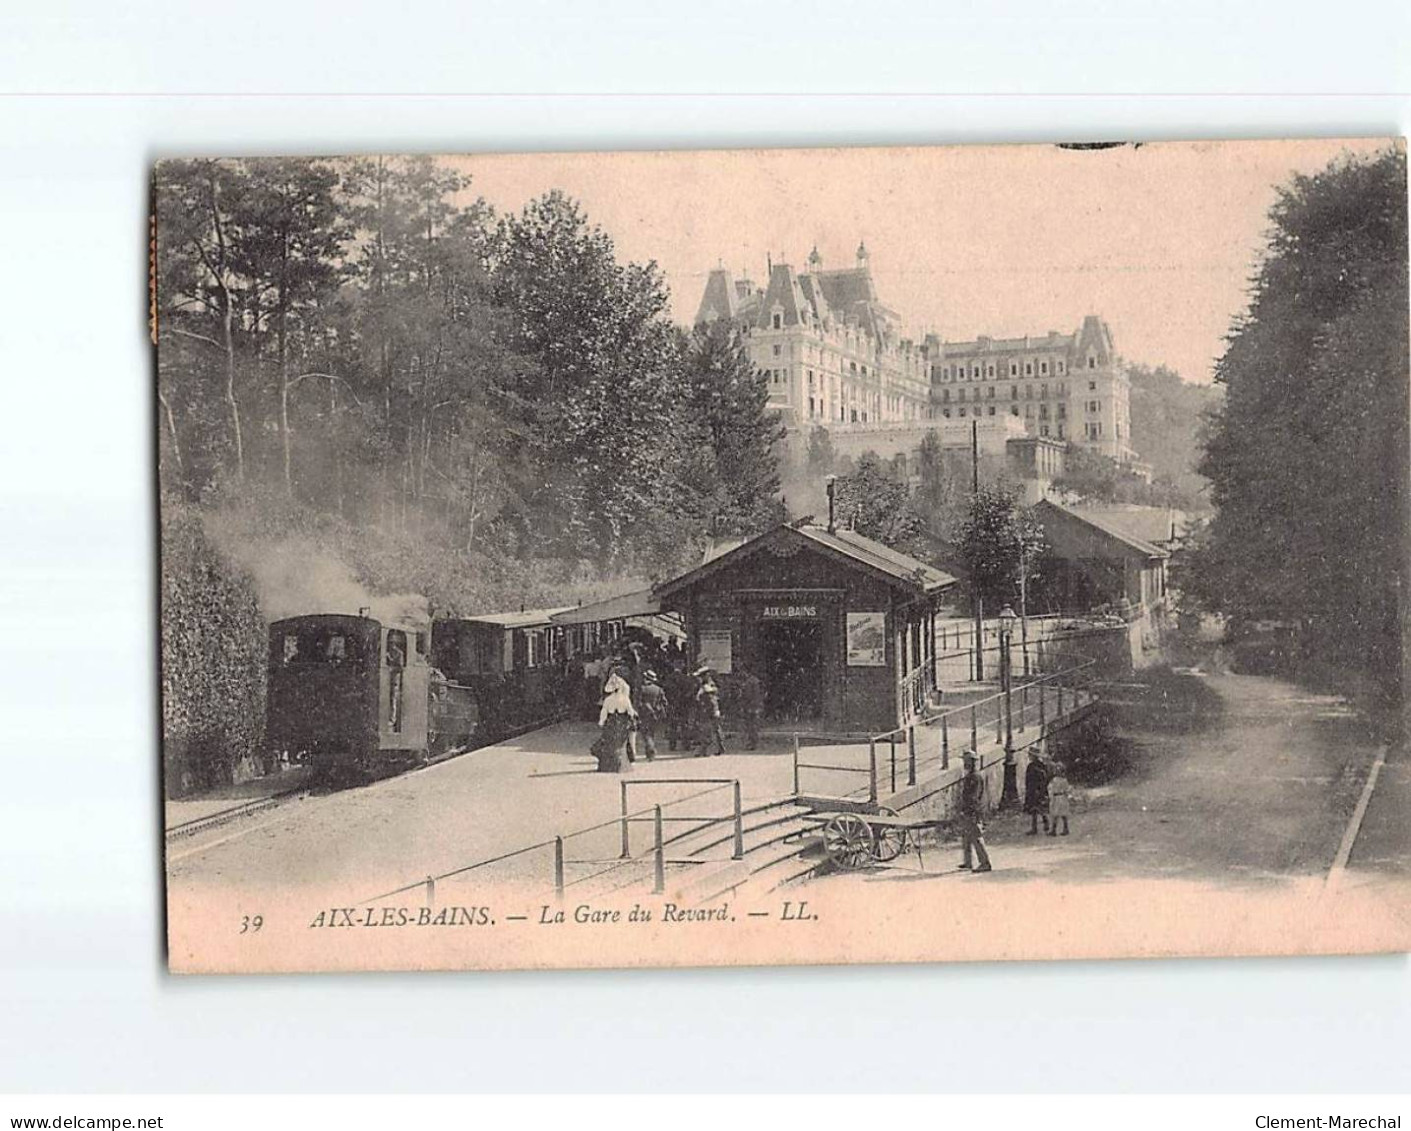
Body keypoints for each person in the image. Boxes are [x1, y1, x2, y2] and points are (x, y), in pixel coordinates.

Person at [591, 668, 637, 773]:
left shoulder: (608, 700)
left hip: (611, 722)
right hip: (621, 722)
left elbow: (604, 712)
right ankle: (621, 765)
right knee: (621, 744)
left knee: (610, 743)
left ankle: (608, 766)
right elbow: (630, 711)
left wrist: (601, 722)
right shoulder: (625, 699)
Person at [957, 750, 992, 872]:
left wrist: (969, 810)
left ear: (971, 762)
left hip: (973, 810)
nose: (964, 763)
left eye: (965, 761)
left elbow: (974, 796)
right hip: (970, 809)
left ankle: (985, 863)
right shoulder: (971, 776)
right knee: (966, 836)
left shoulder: (975, 777)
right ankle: (968, 862)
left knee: (976, 836)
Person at [635, 669, 668, 762]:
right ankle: (649, 752)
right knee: (651, 733)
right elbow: (664, 702)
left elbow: (638, 702)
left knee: (646, 734)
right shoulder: (658, 689)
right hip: (655, 714)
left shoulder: (642, 689)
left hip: (644, 713)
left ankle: (651, 752)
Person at [693, 666, 726, 757]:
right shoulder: (707, 685)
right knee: (714, 729)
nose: (699, 679)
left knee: (708, 730)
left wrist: (714, 710)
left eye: (700, 676)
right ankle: (719, 748)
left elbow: (711, 700)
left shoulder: (707, 686)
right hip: (709, 711)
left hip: (709, 711)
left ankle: (707, 750)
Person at [1023, 749, 1051, 835]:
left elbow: (1028, 779)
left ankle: (1039, 825)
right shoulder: (1042, 766)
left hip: (1034, 789)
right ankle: (1043, 823)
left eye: (1030, 755)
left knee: (1035, 808)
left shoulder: (1032, 766)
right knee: (1037, 808)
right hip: (1038, 789)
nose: (1029, 757)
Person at [735, 667, 764, 750]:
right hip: (755, 706)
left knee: (750, 725)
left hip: (750, 706)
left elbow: (748, 695)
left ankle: (752, 743)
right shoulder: (755, 681)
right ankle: (754, 743)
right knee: (753, 725)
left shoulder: (749, 682)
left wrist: (742, 698)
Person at [1047, 762, 1072, 836]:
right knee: (1055, 814)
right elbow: (1050, 788)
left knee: (1061, 813)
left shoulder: (1063, 780)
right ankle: (1054, 830)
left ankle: (1064, 828)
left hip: (1060, 797)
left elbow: (1066, 789)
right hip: (1056, 797)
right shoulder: (1054, 780)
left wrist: (1067, 795)